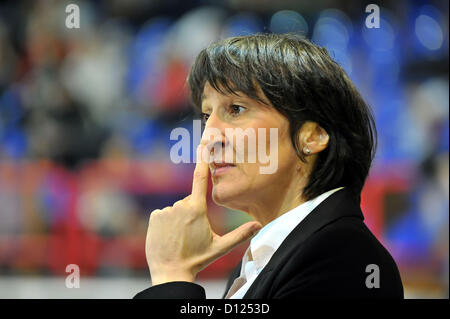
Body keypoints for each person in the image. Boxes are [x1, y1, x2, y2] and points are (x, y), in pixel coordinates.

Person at [133, 33, 404, 299]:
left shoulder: (343, 258)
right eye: (206, 116)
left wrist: (172, 275)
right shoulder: (263, 261)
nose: (207, 139)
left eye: (236, 109)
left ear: (312, 135)